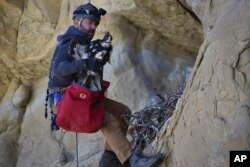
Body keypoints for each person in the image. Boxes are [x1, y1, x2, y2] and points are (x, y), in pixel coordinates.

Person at [47, 3, 164, 167]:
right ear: (76, 21)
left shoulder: (81, 42)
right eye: (90, 22)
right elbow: (59, 69)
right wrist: (86, 63)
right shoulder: (69, 40)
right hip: (64, 99)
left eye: (96, 23)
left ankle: (110, 162)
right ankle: (133, 161)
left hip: (77, 95)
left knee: (123, 113)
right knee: (106, 120)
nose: (93, 27)